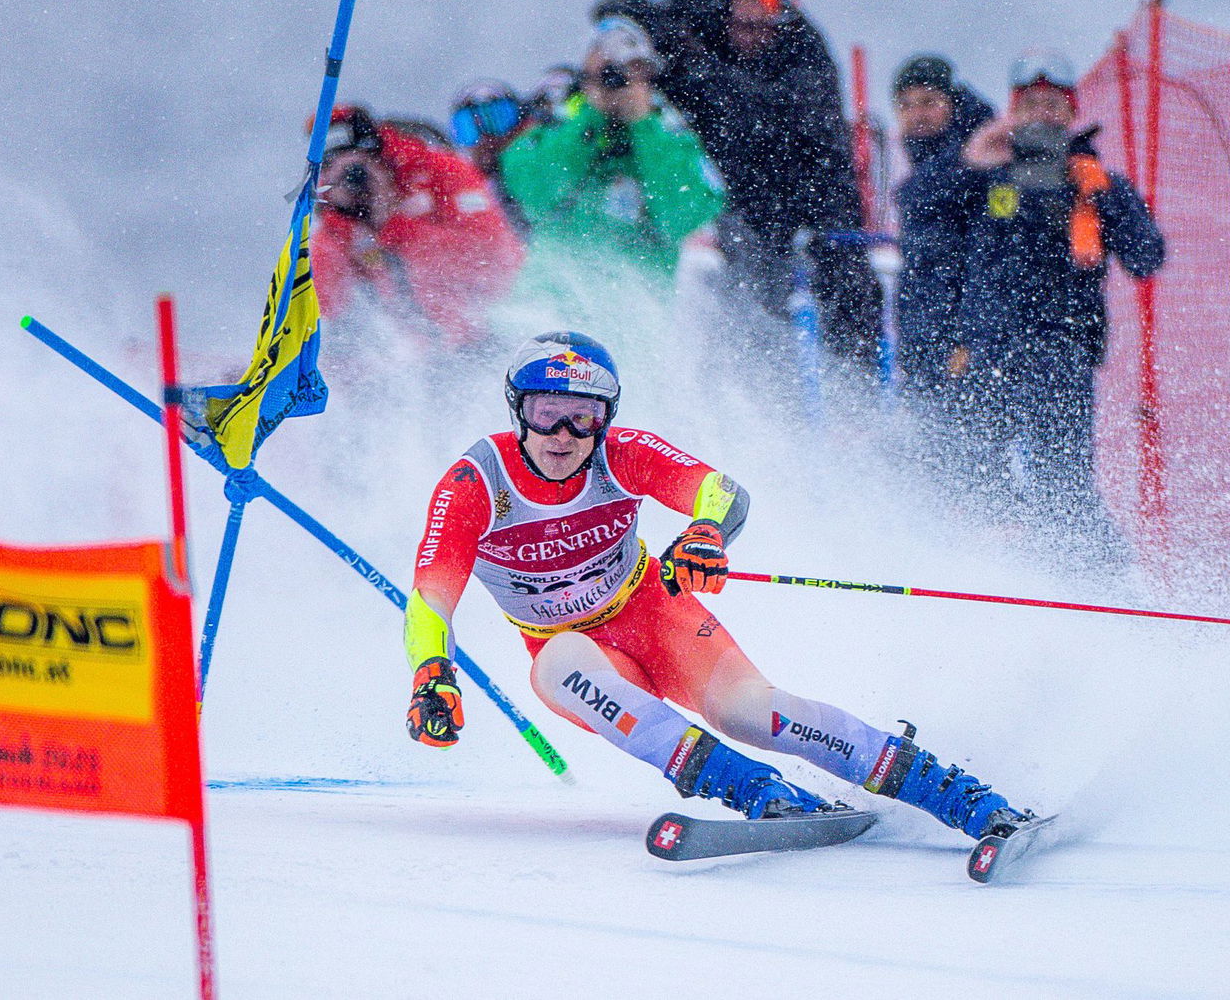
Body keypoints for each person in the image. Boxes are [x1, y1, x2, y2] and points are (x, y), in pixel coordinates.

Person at [403, 331, 1036, 839]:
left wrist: (706, 532)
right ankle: (757, 791)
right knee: (558, 666)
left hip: (655, 614)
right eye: (547, 415)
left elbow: (720, 491)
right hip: (577, 653)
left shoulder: (622, 454)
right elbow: (431, 600)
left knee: (750, 711)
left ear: (605, 419)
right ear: (518, 409)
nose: (564, 437)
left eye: (583, 418)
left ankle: (961, 798)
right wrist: (432, 673)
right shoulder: (476, 483)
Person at [595, 0, 879, 367]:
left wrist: (697, 67)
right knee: (739, 295)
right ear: (723, 8)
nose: (753, 35)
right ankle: (732, 372)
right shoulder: (696, 14)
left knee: (831, 288)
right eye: (743, 24)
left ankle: (850, 379)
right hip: (722, 189)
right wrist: (662, 42)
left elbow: (765, 114)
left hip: (798, 192)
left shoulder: (805, 52)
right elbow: (613, 10)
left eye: (764, 26)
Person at [952, 50, 1165, 547]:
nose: (1042, 115)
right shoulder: (983, 176)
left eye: (1053, 104)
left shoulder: (1095, 182)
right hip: (988, 352)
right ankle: (996, 566)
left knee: (1063, 482)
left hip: (1061, 352)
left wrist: (1102, 196)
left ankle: (1091, 574)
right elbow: (922, 217)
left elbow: (1146, 257)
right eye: (1030, 104)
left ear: (1072, 112)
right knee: (978, 476)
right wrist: (971, 159)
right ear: (1013, 110)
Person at [499, 19, 725, 306]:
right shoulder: (554, 127)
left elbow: (682, 215)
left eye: (633, 70)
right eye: (608, 72)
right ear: (585, 75)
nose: (618, 82)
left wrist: (643, 125)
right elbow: (537, 193)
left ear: (648, 75)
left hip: (633, 312)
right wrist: (591, 117)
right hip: (549, 306)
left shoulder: (674, 138)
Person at [309, 104, 523, 350]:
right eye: (332, 168)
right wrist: (346, 221)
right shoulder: (338, 220)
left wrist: (394, 225)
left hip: (492, 324)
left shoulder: (441, 172)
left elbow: (492, 256)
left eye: (356, 170)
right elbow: (322, 309)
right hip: (419, 349)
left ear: (377, 152)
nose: (353, 182)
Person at [890, 54, 995, 400]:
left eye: (928, 102)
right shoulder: (927, 160)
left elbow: (984, 259)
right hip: (926, 330)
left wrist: (968, 336)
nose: (917, 114)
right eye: (905, 105)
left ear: (953, 102)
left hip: (962, 336)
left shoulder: (982, 156)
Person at [448, 79, 533, 234]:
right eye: (468, 128)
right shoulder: (462, 190)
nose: (486, 137)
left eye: (498, 119)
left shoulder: (536, 166)